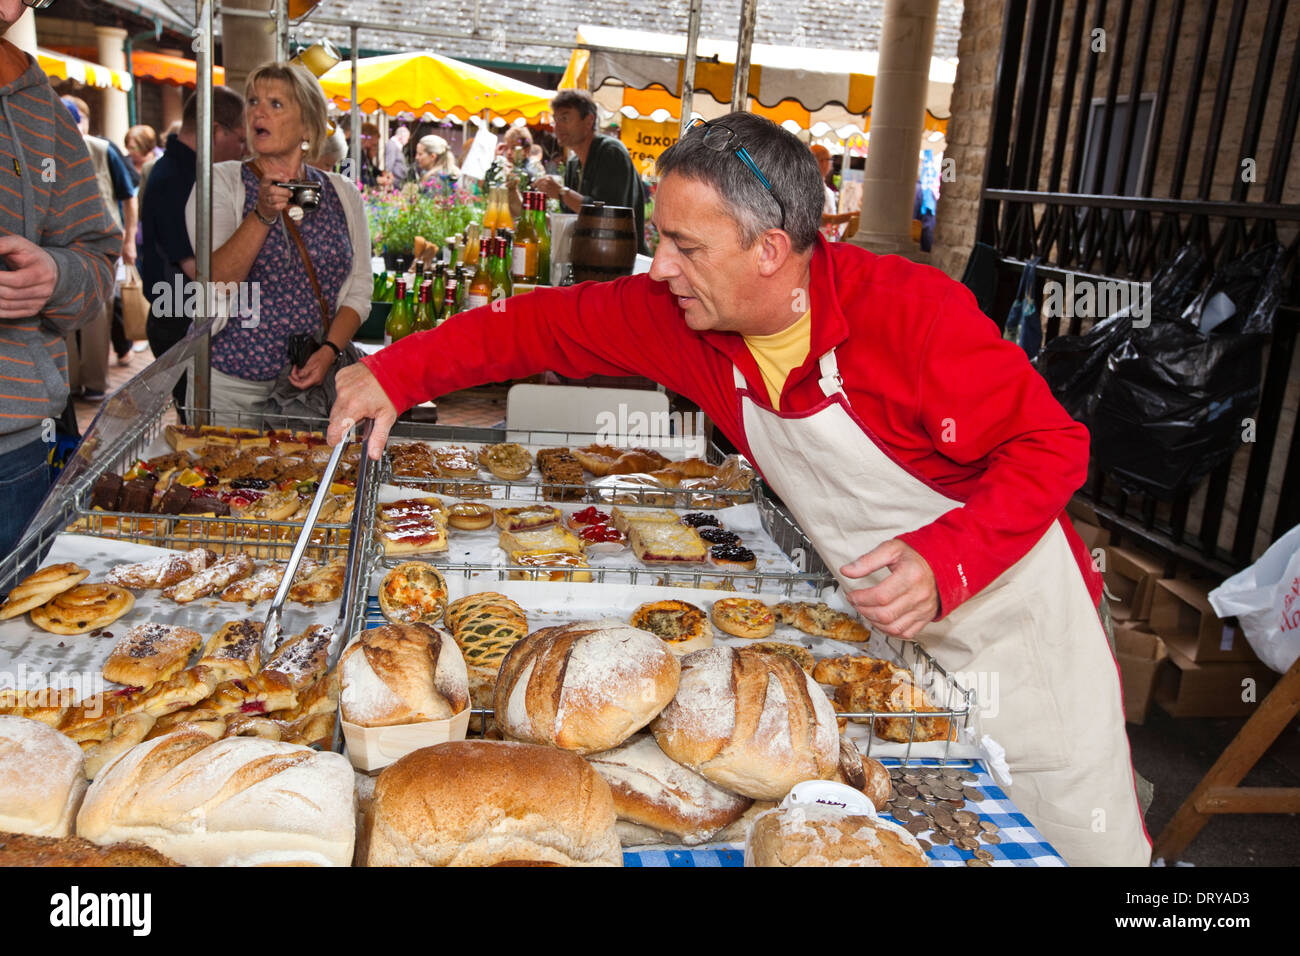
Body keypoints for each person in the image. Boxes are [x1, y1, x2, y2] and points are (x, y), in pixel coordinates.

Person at [328, 111, 1151, 867]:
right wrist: (396, 375)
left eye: (688, 246)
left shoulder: (914, 314)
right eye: (661, 241)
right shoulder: (680, 316)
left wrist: (948, 564)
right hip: (883, 629)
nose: (662, 268)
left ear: (770, 250)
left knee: (1071, 840)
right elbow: (535, 327)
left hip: (1015, 616)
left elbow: (1052, 445)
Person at [0, 0, 119, 555]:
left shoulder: (39, 109)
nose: (10, 7)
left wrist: (58, 275)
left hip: (15, 451)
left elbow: (98, 259)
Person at [186, 61, 370, 416]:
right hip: (230, 384)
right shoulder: (220, 183)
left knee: (303, 473)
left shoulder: (342, 193)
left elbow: (360, 288)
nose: (258, 112)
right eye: (253, 101)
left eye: (276, 104)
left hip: (309, 384)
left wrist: (329, 349)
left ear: (308, 124)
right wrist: (262, 215)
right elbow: (216, 281)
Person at [141, 86, 246, 419]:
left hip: (185, 315)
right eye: (241, 140)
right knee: (202, 424)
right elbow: (201, 271)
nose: (244, 151)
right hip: (181, 320)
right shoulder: (177, 178)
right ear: (215, 130)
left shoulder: (183, 172)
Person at [62, 95, 137, 389]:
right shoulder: (46, 153)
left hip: (100, 245)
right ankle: (69, 382)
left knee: (98, 312)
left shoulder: (102, 150)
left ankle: (94, 380)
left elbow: (128, 197)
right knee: (63, 313)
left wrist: (129, 240)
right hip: (62, 245)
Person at [533, 90, 649, 255]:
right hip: (591, 262)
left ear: (588, 121)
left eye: (565, 118)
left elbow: (606, 216)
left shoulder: (611, 152)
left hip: (623, 263)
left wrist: (561, 192)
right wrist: (536, 218)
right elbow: (574, 221)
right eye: (555, 120)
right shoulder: (573, 165)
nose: (557, 126)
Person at [811, 143, 853, 241]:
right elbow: (822, 219)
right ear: (821, 162)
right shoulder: (811, 187)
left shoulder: (824, 188)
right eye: (830, 159)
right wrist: (852, 216)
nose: (831, 164)